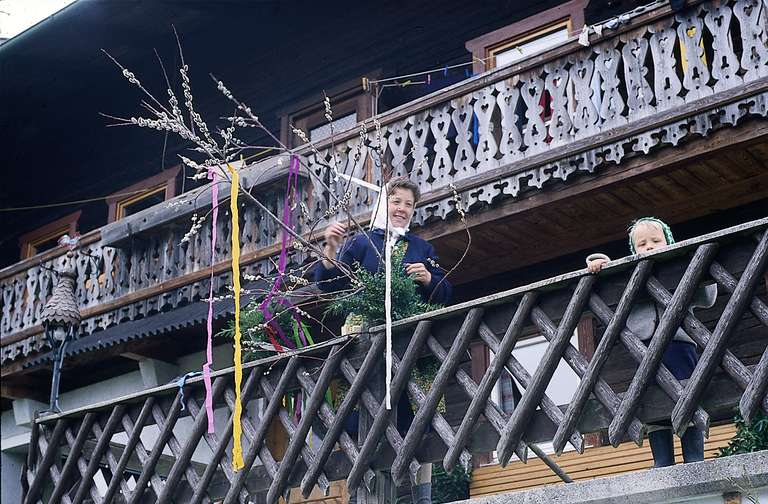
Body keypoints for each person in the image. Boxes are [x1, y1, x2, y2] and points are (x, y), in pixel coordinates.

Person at [315, 176, 450, 504]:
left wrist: (430, 278)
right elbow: (328, 283)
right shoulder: (363, 243)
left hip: (409, 343)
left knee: (413, 417)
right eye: (396, 201)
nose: (402, 208)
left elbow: (445, 292)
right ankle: (367, 493)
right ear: (383, 205)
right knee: (365, 415)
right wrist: (330, 247)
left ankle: (418, 497)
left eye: (408, 204)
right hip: (366, 341)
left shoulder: (421, 248)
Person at [587, 217, 716, 467]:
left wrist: (699, 266)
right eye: (642, 244)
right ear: (634, 251)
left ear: (668, 242)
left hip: (680, 344)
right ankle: (662, 460)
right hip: (643, 348)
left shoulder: (681, 269)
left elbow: (707, 297)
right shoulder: (631, 275)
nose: (649, 247)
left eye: (656, 241)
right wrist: (600, 262)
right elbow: (607, 276)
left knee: (688, 394)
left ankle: (694, 457)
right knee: (650, 401)